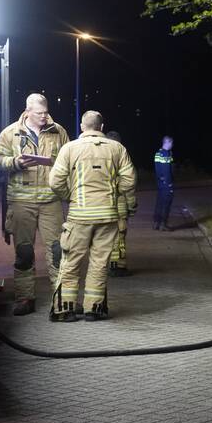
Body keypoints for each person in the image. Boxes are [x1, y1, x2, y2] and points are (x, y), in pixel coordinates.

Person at [49, 110, 136, 322]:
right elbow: (129, 180)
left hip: (79, 216)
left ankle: (64, 310)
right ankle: (93, 309)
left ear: (81, 126)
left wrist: (69, 196)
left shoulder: (69, 149)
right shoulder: (117, 149)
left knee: (70, 262)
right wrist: (114, 193)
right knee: (99, 264)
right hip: (107, 216)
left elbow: (55, 181)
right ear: (102, 126)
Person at [0, 93, 69, 316]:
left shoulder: (58, 131)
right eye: (39, 113)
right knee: (24, 252)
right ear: (28, 111)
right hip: (21, 201)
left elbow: (68, 159)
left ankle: (62, 298)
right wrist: (15, 162)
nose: (44, 116)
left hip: (50, 201)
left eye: (46, 112)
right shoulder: (10, 133)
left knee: (57, 251)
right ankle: (25, 298)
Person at [106, 131, 133, 276]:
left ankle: (111, 264)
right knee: (120, 235)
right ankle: (118, 266)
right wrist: (132, 205)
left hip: (103, 204)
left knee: (107, 236)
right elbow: (129, 184)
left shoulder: (100, 158)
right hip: (119, 203)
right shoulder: (122, 157)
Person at [153, 136, 175, 231]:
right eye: (172, 143)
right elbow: (167, 170)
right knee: (166, 204)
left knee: (159, 203)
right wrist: (169, 183)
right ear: (168, 142)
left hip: (160, 183)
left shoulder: (158, 153)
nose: (172, 145)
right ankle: (163, 224)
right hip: (167, 184)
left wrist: (161, 180)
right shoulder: (167, 154)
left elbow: (158, 170)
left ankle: (156, 223)